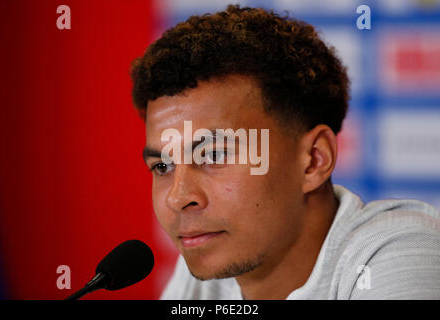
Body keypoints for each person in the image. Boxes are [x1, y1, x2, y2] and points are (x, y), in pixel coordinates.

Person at [131, 5, 440, 299]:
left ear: (314, 161)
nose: (178, 197)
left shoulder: (400, 250)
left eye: (214, 155)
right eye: (162, 166)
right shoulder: (209, 261)